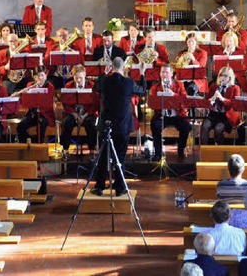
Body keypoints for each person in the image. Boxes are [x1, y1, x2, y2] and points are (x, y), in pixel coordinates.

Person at [91, 57, 146, 197]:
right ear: (124, 67)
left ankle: (99, 186)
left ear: (111, 66)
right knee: (120, 157)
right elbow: (143, 90)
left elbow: (95, 87)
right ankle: (120, 187)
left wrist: (104, 73)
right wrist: (142, 73)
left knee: (103, 157)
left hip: (106, 125)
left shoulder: (105, 81)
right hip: (122, 126)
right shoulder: (128, 82)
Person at [150, 64, 191, 160]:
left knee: (186, 127)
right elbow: (152, 105)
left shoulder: (179, 85)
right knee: (155, 126)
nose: (164, 74)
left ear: (171, 74)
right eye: (162, 72)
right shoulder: (155, 87)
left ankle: (180, 149)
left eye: (166, 72)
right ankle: (158, 153)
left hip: (177, 115)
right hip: (162, 114)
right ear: (160, 74)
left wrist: (173, 95)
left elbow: (184, 100)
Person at [60, 65, 99, 157]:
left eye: (80, 78)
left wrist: (85, 115)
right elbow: (65, 103)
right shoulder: (68, 86)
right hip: (73, 113)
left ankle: (92, 149)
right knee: (66, 122)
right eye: (76, 78)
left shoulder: (92, 86)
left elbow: (96, 104)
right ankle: (65, 149)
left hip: (88, 113)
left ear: (85, 75)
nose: (78, 80)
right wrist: (74, 114)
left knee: (91, 124)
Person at [201, 66, 241, 145]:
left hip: (226, 115)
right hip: (214, 114)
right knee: (204, 127)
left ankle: (219, 149)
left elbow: (234, 104)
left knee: (218, 129)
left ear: (230, 77)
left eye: (225, 76)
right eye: (221, 75)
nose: (223, 78)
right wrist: (212, 98)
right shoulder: (214, 86)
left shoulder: (235, 88)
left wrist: (222, 99)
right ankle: (203, 151)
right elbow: (206, 100)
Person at [16, 66, 56, 144]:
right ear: (34, 77)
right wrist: (24, 94)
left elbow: (49, 104)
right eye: (38, 76)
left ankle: (39, 146)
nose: (40, 78)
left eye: (42, 75)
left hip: (45, 115)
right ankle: (28, 143)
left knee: (42, 125)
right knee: (20, 126)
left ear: (46, 75)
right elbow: (25, 103)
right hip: (32, 114)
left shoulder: (50, 87)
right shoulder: (30, 85)